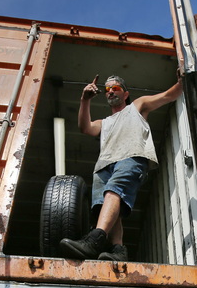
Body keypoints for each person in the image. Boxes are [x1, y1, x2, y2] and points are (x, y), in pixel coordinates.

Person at [59, 73, 182, 261]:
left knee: (113, 192)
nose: (110, 92)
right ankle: (118, 250)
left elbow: (168, 96)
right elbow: (85, 127)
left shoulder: (138, 106)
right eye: (107, 89)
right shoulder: (105, 123)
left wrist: (183, 80)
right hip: (105, 165)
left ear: (125, 94)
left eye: (115, 88)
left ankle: (95, 240)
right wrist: (85, 100)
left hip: (131, 157)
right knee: (105, 206)